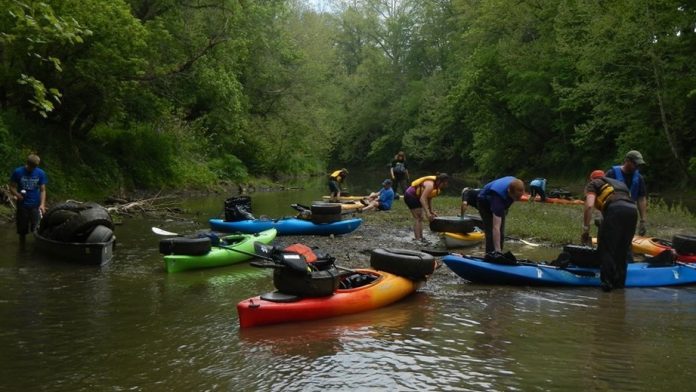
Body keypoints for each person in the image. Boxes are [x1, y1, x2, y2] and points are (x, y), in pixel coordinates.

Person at [581, 169, 637, 292]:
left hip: (616, 210)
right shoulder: (619, 184)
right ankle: (619, 288)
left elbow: (589, 205)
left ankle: (606, 287)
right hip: (633, 211)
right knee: (623, 250)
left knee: (607, 249)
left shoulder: (593, 184)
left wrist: (586, 229)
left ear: (592, 179)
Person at [476, 176, 525, 254]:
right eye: (515, 198)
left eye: (518, 197)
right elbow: (496, 228)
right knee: (492, 232)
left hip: (501, 201)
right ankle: (490, 255)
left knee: (501, 233)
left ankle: (498, 255)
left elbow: (511, 198)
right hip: (484, 204)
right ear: (509, 191)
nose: (516, 200)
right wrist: (497, 251)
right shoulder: (498, 198)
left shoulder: (516, 184)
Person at [605, 150, 647, 236]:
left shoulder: (639, 178)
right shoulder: (611, 174)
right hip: (612, 212)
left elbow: (641, 199)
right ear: (627, 161)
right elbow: (602, 194)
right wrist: (600, 214)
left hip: (629, 213)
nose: (637, 167)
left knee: (626, 240)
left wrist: (643, 220)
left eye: (638, 165)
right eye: (635, 164)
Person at [9, 154, 48, 245]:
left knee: (37, 229)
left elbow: (43, 190)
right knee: (22, 231)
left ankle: (36, 248)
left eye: (35, 167)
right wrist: (17, 194)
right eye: (31, 167)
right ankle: (22, 249)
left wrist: (42, 204)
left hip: (36, 205)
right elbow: (12, 187)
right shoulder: (18, 172)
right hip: (22, 205)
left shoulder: (40, 173)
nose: (32, 169)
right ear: (27, 163)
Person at [403, 173, 449, 241]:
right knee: (418, 217)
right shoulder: (430, 185)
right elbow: (422, 199)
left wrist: (431, 211)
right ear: (439, 181)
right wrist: (427, 213)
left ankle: (420, 237)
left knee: (421, 217)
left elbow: (429, 198)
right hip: (410, 195)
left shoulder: (435, 186)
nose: (443, 186)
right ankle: (417, 239)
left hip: (417, 197)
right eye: (443, 184)